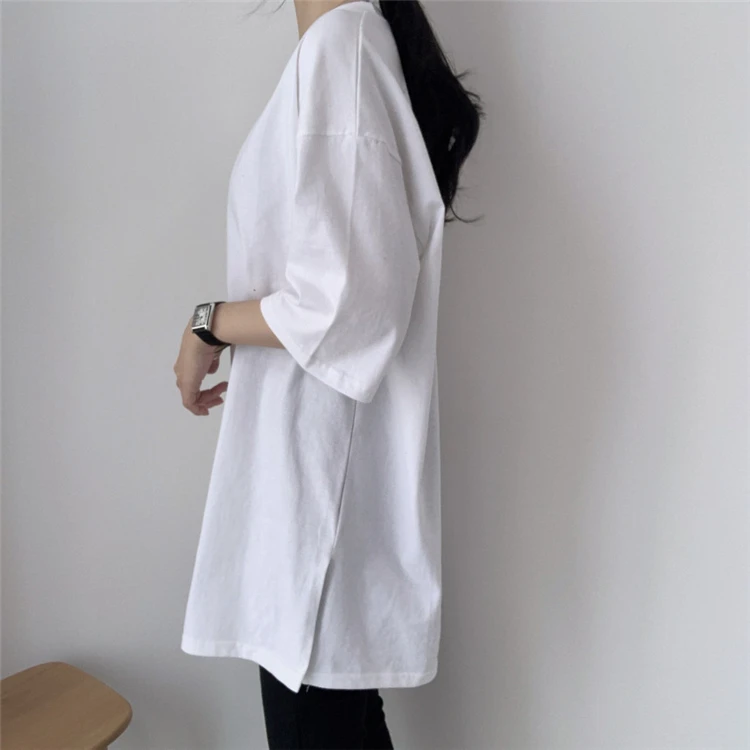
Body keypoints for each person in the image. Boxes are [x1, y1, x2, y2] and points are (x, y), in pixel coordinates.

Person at [173, 0, 483, 746]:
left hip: (317, 513)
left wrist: (208, 321)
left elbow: (350, 300)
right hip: (312, 502)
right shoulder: (342, 49)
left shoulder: (343, 49)